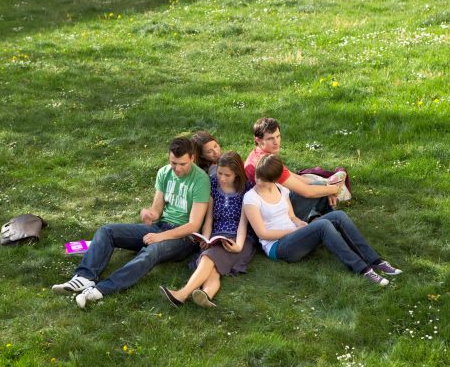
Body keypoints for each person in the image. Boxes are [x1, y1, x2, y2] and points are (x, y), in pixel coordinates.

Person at [52, 137, 211, 308]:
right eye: (173, 163)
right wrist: (149, 214)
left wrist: (160, 237)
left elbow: (194, 225)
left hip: (184, 238)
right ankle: (84, 277)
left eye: (182, 164)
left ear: (192, 158)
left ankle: (101, 289)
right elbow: (156, 211)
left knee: (151, 251)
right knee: (107, 231)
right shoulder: (164, 173)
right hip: (159, 227)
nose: (177, 169)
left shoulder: (200, 180)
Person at [243, 154, 402, 286]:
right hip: (278, 247)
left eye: (264, 179)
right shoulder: (251, 198)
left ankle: (376, 260)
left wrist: (300, 224)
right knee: (323, 225)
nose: (258, 181)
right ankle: (363, 270)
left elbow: (291, 216)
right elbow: (262, 233)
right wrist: (295, 230)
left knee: (338, 216)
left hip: (295, 234)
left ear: (274, 179)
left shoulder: (281, 189)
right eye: (258, 176)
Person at [160, 151, 257, 308]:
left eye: (227, 175)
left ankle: (182, 294)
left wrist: (238, 245)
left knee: (208, 259)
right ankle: (206, 295)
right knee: (213, 269)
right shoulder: (212, 184)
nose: (222, 178)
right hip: (217, 235)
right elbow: (209, 218)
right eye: (220, 173)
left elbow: (243, 224)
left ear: (237, 174)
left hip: (240, 238)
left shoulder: (247, 189)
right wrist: (206, 238)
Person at [244, 117, 340, 221]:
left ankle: (324, 222)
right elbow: (307, 192)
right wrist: (334, 189)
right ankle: (330, 224)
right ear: (258, 140)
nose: (276, 142)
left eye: (278, 136)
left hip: (269, 207)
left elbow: (292, 175)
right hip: (275, 216)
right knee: (320, 192)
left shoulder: (256, 154)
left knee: (319, 188)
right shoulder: (266, 164)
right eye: (270, 138)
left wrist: (324, 185)